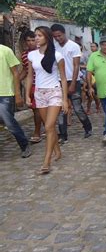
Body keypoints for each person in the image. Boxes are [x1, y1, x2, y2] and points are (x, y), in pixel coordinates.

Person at [26, 26, 69, 174]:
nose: (36, 38)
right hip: (39, 93)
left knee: (49, 126)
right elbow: (30, 76)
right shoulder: (32, 55)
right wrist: (27, 94)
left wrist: (64, 100)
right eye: (35, 35)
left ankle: (46, 162)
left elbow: (63, 78)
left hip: (54, 92)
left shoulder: (57, 56)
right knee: (49, 126)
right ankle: (57, 150)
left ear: (47, 38)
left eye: (39, 36)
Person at [51, 24, 92, 143]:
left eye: (59, 35)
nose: (58, 38)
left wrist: (73, 83)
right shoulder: (53, 47)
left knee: (77, 108)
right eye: (55, 37)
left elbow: (76, 66)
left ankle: (87, 127)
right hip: (58, 81)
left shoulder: (73, 46)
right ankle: (63, 135)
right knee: (61, 109)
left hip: (73, 80)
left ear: (64, 33)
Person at [0, 44, 31, 158]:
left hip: (5, 93)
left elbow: (15, 73)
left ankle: (24, 145)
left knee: (9, 123)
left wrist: (17, 94)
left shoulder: (5, 51)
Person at [20, 31, 44, 144]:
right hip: (32, 85)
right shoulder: (25, 55)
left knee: (41, 109)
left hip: (44, 84)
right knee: (36, 109)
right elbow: (26, 70)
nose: (30, 43)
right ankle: (39, 131)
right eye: (28, 41)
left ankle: (38, 131)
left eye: (32, 40)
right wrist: (16, 80)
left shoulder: (43, 52)